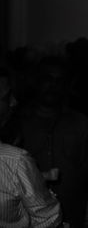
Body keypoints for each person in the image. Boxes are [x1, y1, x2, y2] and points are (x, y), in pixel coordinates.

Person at [17, 56, 88, 228]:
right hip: (30, 217)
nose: (53, 85)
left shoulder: (79, 123)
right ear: (37, 82)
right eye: (48, 79)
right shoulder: (19, 121)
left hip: (73, 213)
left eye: (59, 80)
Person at [0, 67, 63, 227]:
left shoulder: (79, 123)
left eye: (58, 80)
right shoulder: (14, 155)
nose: (13, 102)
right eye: (7, 97)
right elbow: (47, 220)